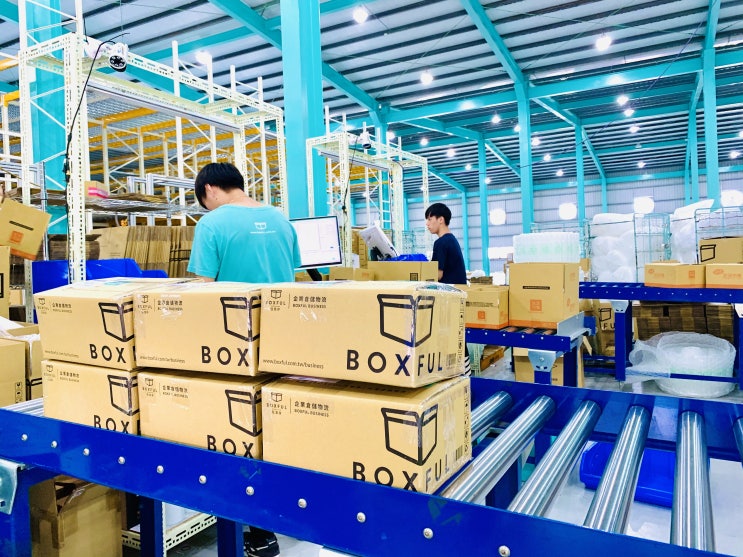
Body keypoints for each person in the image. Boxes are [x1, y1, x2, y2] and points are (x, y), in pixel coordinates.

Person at [188, 162, 300, 557]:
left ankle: (258, 532)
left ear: (210, 190)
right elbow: (289, 274)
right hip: (287, 344)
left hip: (236, 347)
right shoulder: (281, 220)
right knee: (277, 428)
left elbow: (202, 291)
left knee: (239, 435)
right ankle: (286, 512)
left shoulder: (212, 225)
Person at [425, 202, 471, 375]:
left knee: (451, 339)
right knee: (458, 339)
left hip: (448, 300)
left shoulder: (441, 243)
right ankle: (465, 374)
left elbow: (437, 275)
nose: (427, 224)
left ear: (441, 220)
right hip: (457, 298)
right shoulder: (451, 240)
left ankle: (461, 376)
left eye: (430, 219)